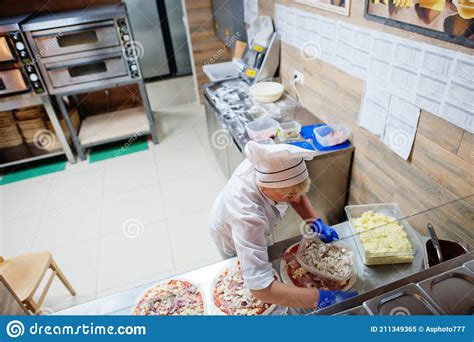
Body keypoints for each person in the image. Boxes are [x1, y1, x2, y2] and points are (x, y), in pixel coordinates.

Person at [209, 141, 357, 310]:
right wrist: (321, 298)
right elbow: (260, 289)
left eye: (298, 192)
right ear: (264, 188)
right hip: (227, 232)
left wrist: (315, 222)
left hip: (252, 222)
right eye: (289, 196)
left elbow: (297, 193)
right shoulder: (246, 216)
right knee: (241, 274)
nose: (295, 199)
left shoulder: (271, 163)